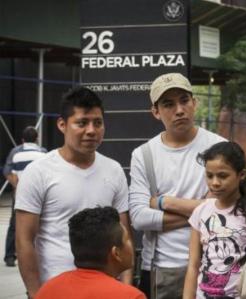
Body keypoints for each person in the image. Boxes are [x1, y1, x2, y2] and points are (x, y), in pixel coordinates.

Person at [15, 87, 131, 298]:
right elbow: (24, 240)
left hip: (106, 290)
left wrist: (126, 288)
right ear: (62, 124)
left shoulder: (114, 170)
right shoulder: (38, 172)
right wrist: (35, 294)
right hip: (54, 289)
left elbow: (123, 235)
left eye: (98, 122)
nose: (91, 130)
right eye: (82, 122)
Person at [128, 73, 226, 299]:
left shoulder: (219, 146)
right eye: (168, 104)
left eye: (184, 100)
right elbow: (140, 217)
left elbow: (226, 209)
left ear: (195, 103)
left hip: (215, 264)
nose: (179, 110)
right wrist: (201, 212)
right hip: (162, 269)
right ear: (156, 112)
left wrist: (163, 201)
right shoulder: (144, 155)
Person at [183, 141, 246, 299]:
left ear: (241, 175)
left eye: (223, 176)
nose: (215, 182)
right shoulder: (201, 211)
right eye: (209, 176)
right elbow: (193, 265)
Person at [35, 207, 145, 299]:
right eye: (127, 239)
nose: (131, 243)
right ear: (116, 253)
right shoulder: (131, 296)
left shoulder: (47, 290)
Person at [2, 126, 47, 267]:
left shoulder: (15, 153)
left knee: (14, 225)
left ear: (22, 140)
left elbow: (7, 171)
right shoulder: (43, 153)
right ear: (37, 138)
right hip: (40, 195)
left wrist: (18, 186)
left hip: (20, 193)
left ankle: (10, 256)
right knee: (40, 225)